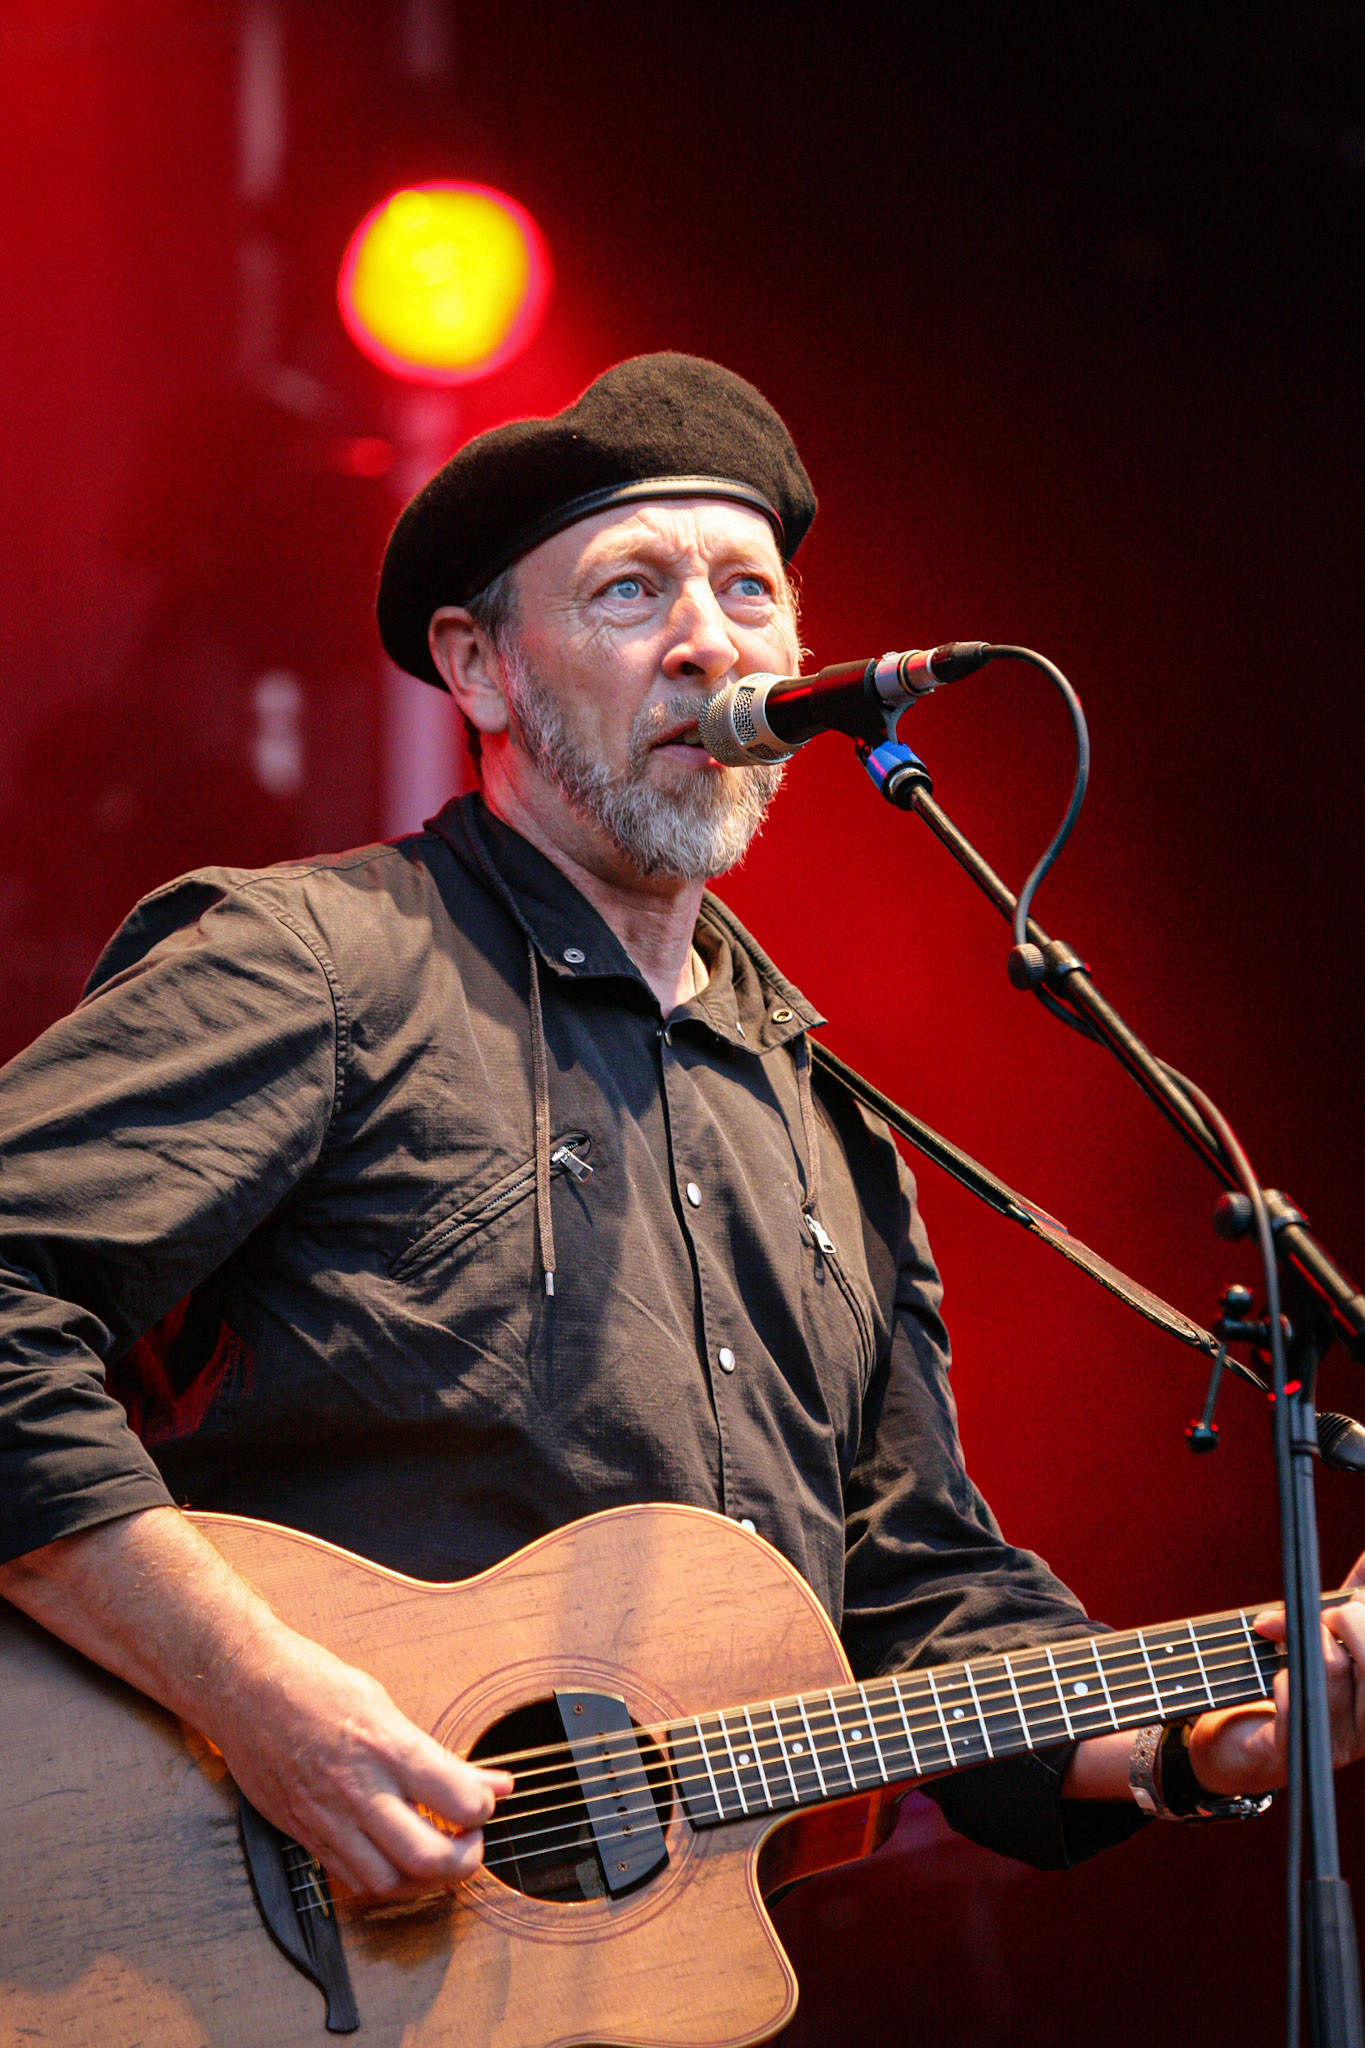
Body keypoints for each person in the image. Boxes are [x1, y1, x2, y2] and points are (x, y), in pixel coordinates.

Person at [0, 354, 1361, 1908]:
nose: (706, 643)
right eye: (631, 592)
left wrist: (1204, 1743)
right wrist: (264, 1705)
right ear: (482, 666)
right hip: (209, 1920)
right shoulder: (315, 963)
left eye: (746, 592)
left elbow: (917, 1596)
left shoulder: (826, 1122)